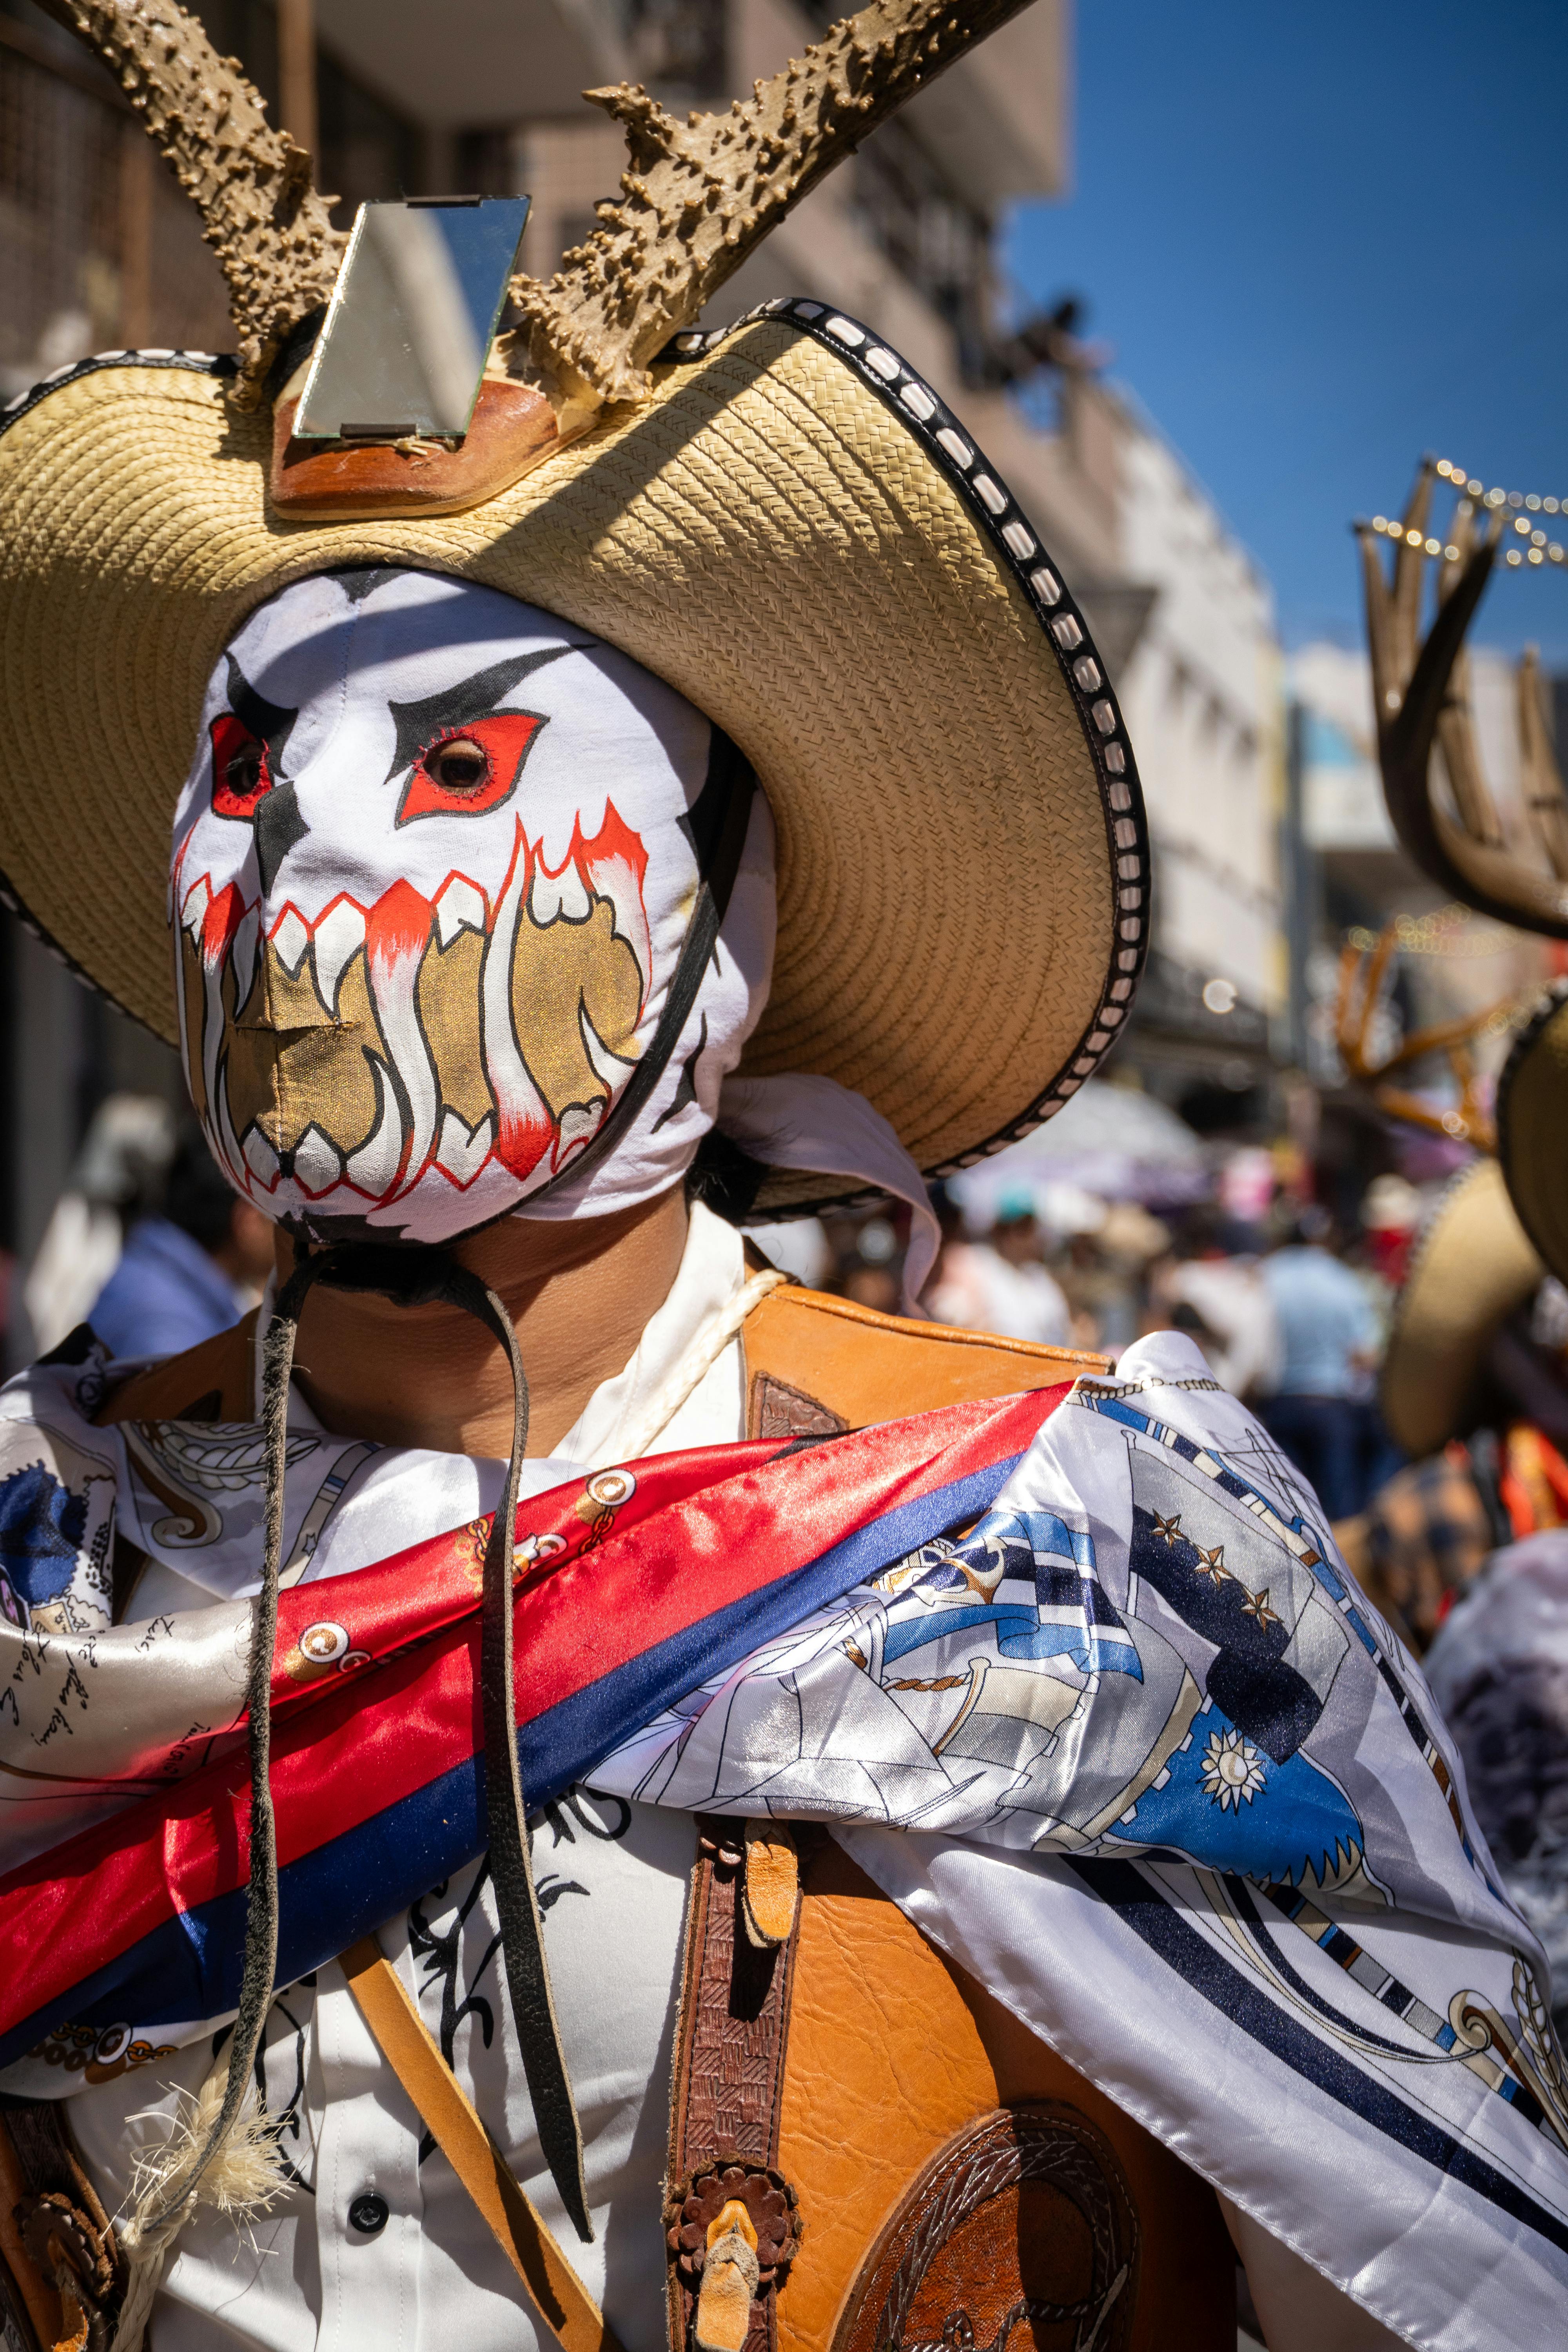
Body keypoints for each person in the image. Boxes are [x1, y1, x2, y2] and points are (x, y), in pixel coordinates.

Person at [0, 12, 1555, 2352]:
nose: (306, 844)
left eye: (459, 762)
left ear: (721, 930)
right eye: (248, 765)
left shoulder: (1067, 1540)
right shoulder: (52, 1525)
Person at [86, 1123, 278, 1359]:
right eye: (285, 1218)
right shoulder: (168, 1328)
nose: (296, 1238)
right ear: (251, 1220)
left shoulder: (172, 1288)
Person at [1258, 1205, 1381, 1519]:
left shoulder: (1268, 1274)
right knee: (1340, 1511)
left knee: (1287, 1510)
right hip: (1331, 1405)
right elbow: (1364, 1353)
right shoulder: (1341, 1278)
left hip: (1279, 1403)